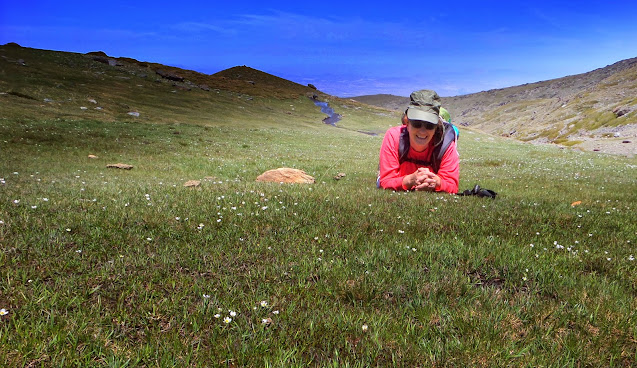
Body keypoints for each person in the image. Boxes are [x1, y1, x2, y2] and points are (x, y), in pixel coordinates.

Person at [378, 89, 459, 193]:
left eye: (429, 125)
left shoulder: (445, 145)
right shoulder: (393, 137)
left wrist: (436, 182)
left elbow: (452, 186)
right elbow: (385, 182)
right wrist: (410, 180)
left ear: (436, 127)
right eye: (417, 123)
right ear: (407, 123)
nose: (422, 131)